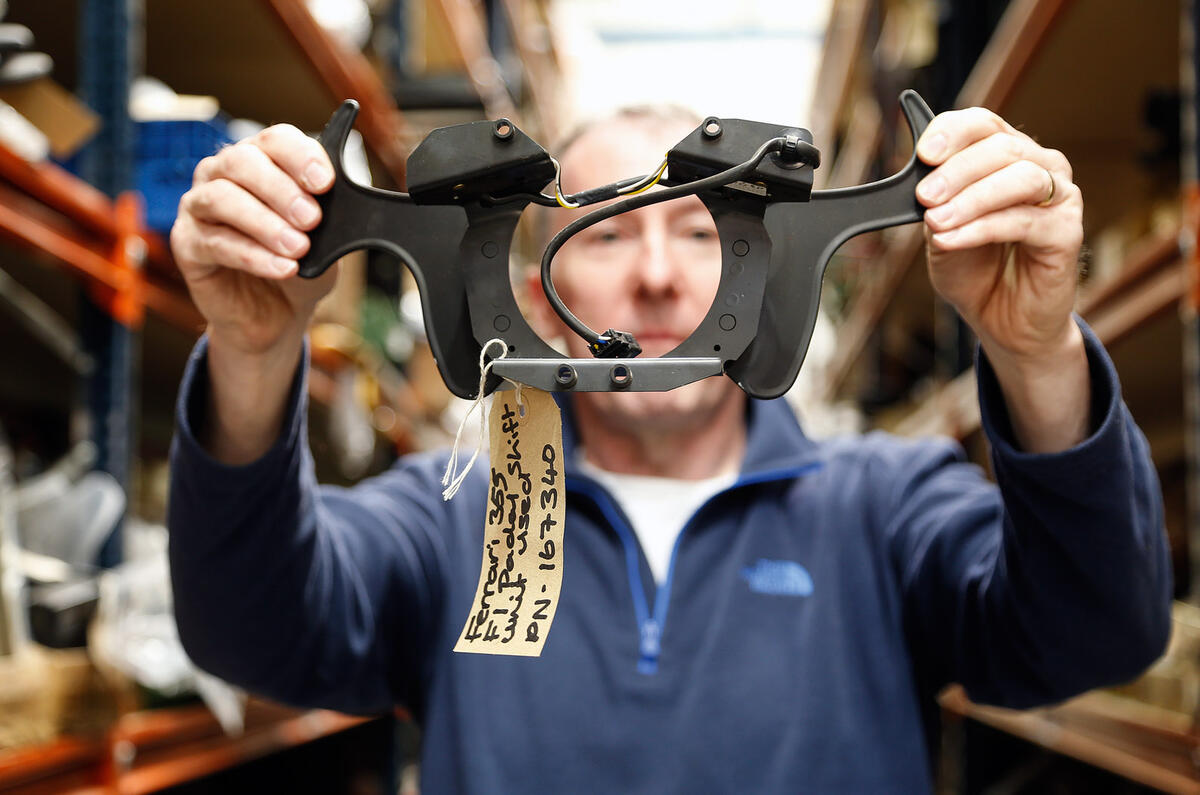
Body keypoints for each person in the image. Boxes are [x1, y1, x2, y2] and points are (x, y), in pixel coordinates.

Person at [166, 101, 1172, 793]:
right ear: (529, 289)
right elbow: (252, 638)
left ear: (768, 261)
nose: (656, 275)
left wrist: (1034, 352)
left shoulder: (885, 502)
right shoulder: (446, 513)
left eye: (698, 231)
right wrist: (251, 353)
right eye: (603, 233)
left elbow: (1096, 637)